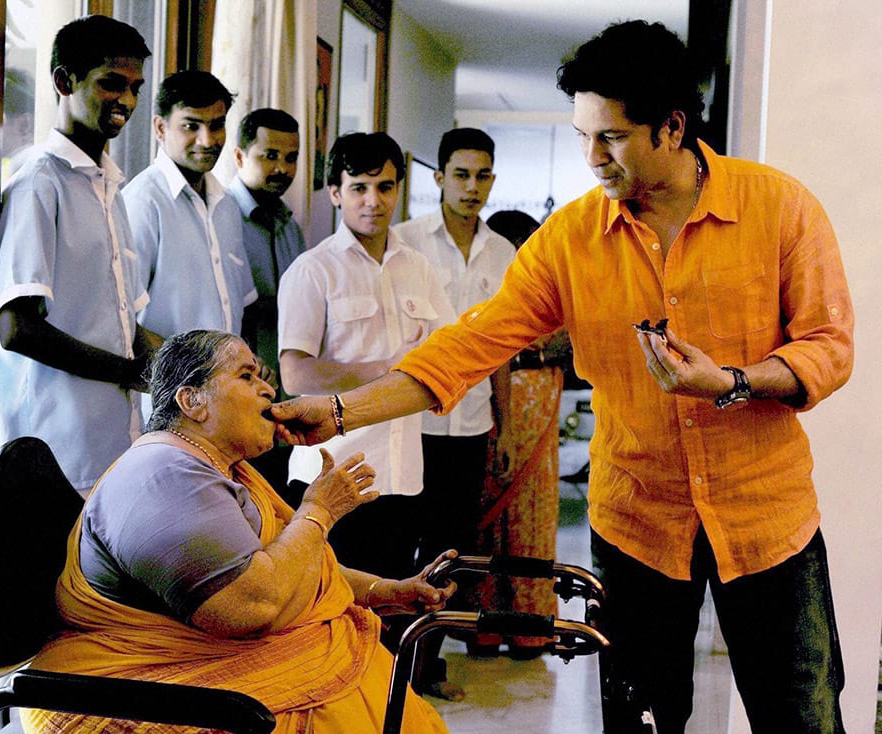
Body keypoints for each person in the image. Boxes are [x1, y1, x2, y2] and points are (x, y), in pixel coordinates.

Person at [271, 20, 854, 734]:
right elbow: (468, 346)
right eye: (580, 135)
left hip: (770, 522)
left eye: (607, 137)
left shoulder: (780, 208)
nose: (590, 157)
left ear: (671, 129)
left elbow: (829, 347)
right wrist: (340, 412)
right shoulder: (570, 239)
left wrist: (731, 381)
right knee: (639, 719)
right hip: (637, 521)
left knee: (803, 717)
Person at [19, 330, 454, 734]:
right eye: (246, 376)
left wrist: (387, 592)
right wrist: (319, 511)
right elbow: (249, 608)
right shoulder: (162, 476)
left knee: (363, 670)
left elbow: (297, 567)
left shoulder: (220, 470)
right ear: (192, 401)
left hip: (200, 668)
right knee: (346, 697)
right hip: (129, 687)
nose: (268, 390)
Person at [277, 132, 456, 653]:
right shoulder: (313, 270)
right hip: (335, 478)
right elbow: (296, 375)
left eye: (384, 186)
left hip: (402, 474)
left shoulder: (418, 266)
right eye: (358, 188)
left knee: (389, 620)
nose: (372, 201)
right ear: (334, 192)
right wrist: (389, 370)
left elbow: (445, 354)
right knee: (331, 618)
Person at [0, 15, 160, 495]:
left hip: (114, 444)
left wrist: (194, 368)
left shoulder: (112, 189)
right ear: (64, 81)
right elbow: (16, 328)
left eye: (135, 88)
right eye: (111, 84)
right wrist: (128, 372)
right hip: (54, 451)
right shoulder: (38, 184)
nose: (126, 101)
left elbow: (129, 325)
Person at [390, 128, 515, 692]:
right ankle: (385, 671)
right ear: (439, 178)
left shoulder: (504, 252)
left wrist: (506, 428)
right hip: (412, 424)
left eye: (482, 175)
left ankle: (428, 667)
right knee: (399, 549)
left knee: (453, 553)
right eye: (461, 174)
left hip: (470, 424)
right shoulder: (404, 242)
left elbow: (503, 352)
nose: (472, 187)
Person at [472, 210, 566, 660]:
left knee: (532, 522)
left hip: (536, 418)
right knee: (496, 522)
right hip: (498, 414)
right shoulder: (495, 294)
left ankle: (525, 629)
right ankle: (492, 628)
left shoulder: (549, 293)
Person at [123, 70, 255, 345]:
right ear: (160, 128)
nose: (207, 141)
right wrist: (185, 373)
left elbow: (241, 306)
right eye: (191, 126)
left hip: (225, 382)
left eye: (216, 125)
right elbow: (120, 318)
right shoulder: (143, 202)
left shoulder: (226, 205)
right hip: (168, 384)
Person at [225, 108, 306, 494]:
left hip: (283, 408)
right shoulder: (220, 218)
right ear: (240, 156)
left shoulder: (291, 226)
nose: (282, 168)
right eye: (269, 155)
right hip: (236, 405)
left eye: (290, 157)